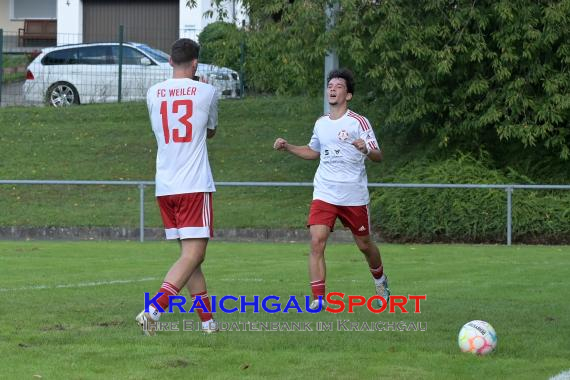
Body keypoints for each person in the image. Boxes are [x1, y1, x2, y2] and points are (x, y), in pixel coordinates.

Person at [273, 68, 390, 310]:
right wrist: (288, 147)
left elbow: (378, 155)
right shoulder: (321, 123)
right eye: (330, 86)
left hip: (353, 194)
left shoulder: (359, 122)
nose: (332, 89)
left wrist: (366, 150)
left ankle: (380, 281)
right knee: (317, 240)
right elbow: (313, 151)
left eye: (338, 86)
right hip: (324, 192)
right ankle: (318, 298)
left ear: (348, 95)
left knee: (365, 245)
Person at [136, 38, 219, 335]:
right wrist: (201, 86)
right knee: (193, 255)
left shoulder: (153, 93)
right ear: (195, 63)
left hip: (166, 186)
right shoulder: (207, 91)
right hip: (194, 184)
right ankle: (154, 310)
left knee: (191, 258)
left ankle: (209, 325)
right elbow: (210, 132)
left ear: (170, 61)